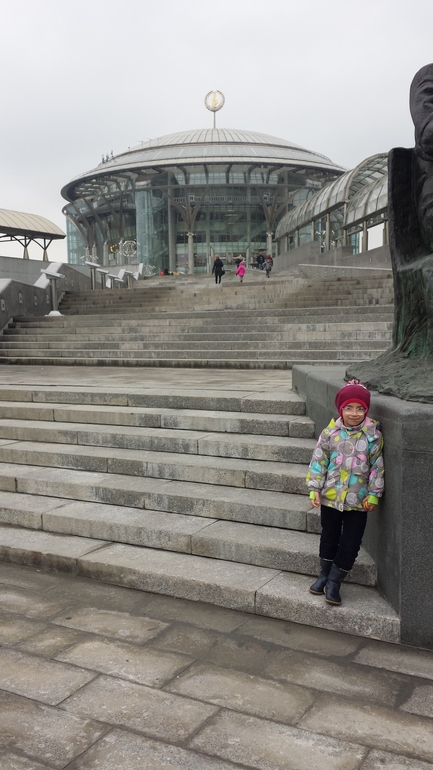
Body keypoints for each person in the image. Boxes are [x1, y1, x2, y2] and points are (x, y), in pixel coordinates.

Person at [306, 379, 384, 606]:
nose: (354, 413)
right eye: (349, 408)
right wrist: (314, 489)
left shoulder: (373, 436)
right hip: (331, 497)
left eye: (360, 408)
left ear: (366, 410)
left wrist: (374, 493)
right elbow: (318, 462)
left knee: (351, 543)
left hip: (358, 501)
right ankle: (324, 575)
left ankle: (334, 580)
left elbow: (377, 466)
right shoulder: (330, 433)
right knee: (329, 537)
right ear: (341, 408)